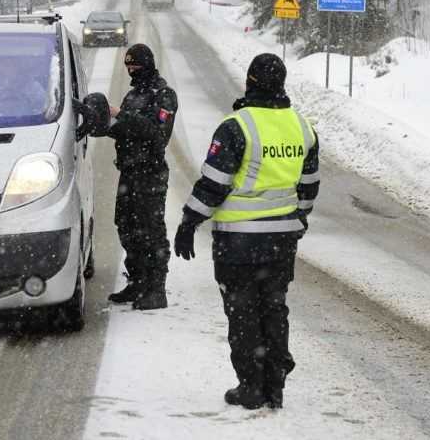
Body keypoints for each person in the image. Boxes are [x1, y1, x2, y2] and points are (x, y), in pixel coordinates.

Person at [173, 53, 319, 410]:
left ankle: (251, 386)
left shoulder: (236, 126)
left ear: (251, 81)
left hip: (238, 241)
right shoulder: (302, 126)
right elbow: (309, 185)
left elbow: (214, 183)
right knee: (273, 307)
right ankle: (275, 382)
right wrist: (296, 221)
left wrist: (190, 222)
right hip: (281, 240)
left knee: (242, 311)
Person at [105, 43, 178, 310]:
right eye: (128, 66)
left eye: (135, 65)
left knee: (151, 231)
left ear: (147, 63)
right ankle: (137, 282)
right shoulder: (132, 96)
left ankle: (156, 289)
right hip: (129, 172)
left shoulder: (164, 95)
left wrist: (121, 116)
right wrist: (102, 122)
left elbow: (157, 133)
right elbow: (123, 128)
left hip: (150, 174)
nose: (131, 70)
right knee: (125, 226)